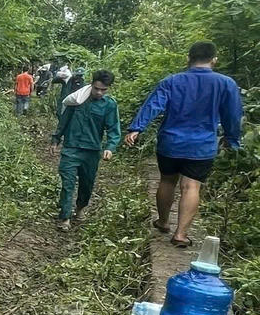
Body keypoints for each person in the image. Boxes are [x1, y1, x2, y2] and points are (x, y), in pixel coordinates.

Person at [124, 42, 244, 247]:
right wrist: (232, 139)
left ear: (188, 59)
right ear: (214, 59)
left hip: (171, 143)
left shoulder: (172, 81)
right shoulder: (226, 83)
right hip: (202, 146)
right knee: (191, 186)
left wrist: (137, 128)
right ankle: (180, 234)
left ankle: (163, 222)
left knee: (167, 181)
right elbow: (232, 115)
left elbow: (153, 105)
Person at [53, 70, 120, 229]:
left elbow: (113, 128)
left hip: (91, 151)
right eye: (96, 88)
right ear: (91, 84)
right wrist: (55, 139)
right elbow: (64, 120)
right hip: (71, 148)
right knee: (68, 183)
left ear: (108, 88)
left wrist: (110, 147)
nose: (99, 92)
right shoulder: (78, 99)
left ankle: (80, 208)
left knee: (86, 183)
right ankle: (65, 217)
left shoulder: (109, 105)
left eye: (103, 90)